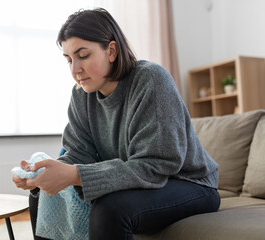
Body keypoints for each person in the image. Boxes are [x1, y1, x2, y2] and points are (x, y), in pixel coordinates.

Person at [13, 8, 220, 240]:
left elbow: (157, 165)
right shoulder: (81, 94)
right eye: (69, 59)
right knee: (40, 195)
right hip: (147, 182)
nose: (75, 70)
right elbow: (79, 153)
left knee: (110, 210)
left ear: (111, 51)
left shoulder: (151, 79)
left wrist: (75, 175)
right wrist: (43, 173)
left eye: (83, 56)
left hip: (190, 184)